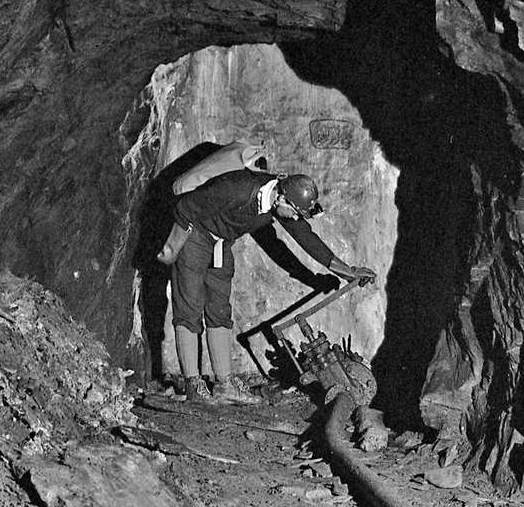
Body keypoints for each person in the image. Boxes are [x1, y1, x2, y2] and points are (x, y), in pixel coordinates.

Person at [158, 168, 375, 404]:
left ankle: (225, 384)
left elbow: (306, 237)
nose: (294, 218)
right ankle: (193, 384)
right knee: (189, 306)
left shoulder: (279, 202)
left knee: (219, 309)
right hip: (194, 235)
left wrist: (347, 271)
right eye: (294, 212)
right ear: (282, 198)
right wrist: (174, 247)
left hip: (221, 243)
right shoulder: (239, 189)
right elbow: (186, 207)